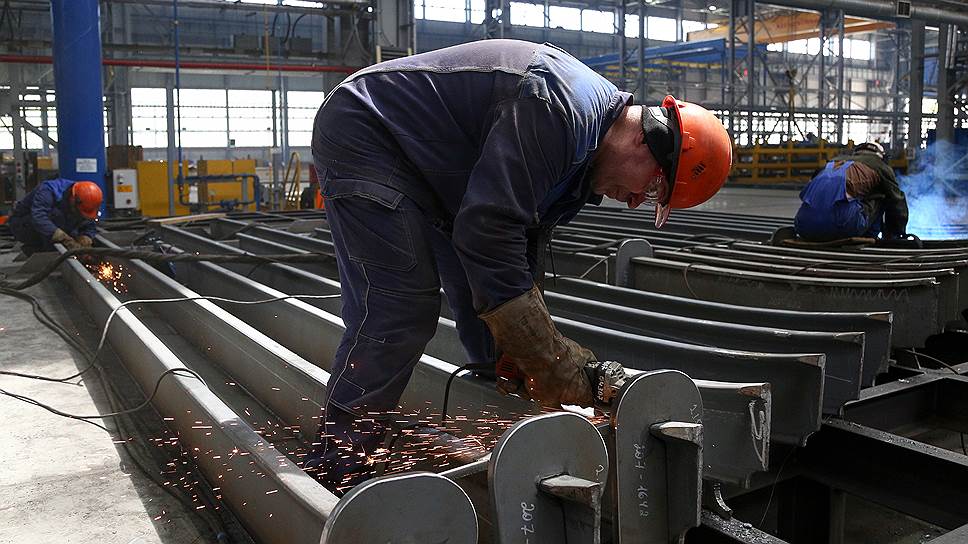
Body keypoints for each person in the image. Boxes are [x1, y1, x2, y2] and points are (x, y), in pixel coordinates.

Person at [307, 39, 732, 493]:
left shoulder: (581, 162)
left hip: (435, 172)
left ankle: (491, 408)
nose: (633, 202)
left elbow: (516, 254)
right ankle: (338, 465)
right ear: (647, 139)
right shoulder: (559, 111)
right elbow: (488, 231)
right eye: (651, 189)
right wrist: (551, 359)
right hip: (369, 131)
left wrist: (517, 357)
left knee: (491, 324)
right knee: (399, 309)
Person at [794, 141, 908, 241]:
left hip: (803, 226)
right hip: (843, 227)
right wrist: (899, 232)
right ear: (880, 156)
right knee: (885, 195)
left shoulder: (831, 163)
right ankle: (877, 237)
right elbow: (898, 202)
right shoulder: (880, 166)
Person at [9, 178, 102, 255]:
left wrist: (87, 236)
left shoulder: (84, 198)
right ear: (73, 200)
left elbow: (90, 221)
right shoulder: (49, 190)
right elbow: (39, 217)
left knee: (72, 221)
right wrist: (62, 237)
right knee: (56, 216)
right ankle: (42, 250)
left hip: (56, 224)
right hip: (22, 225)